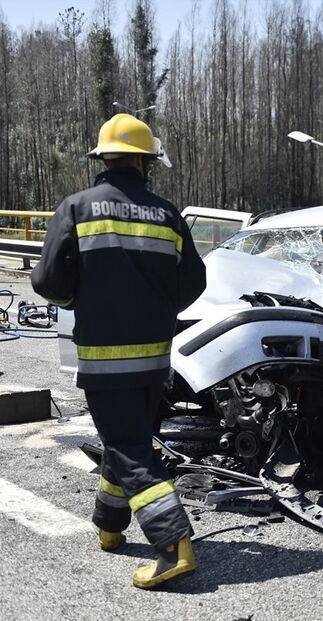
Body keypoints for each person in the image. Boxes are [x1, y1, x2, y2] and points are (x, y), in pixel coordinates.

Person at [31, 113, 206, 590]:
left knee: (128, 448)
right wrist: (157, 306)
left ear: (104, 158)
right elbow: (194, 282)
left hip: (105, 359)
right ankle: (110, 527)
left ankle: (173, 547)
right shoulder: (168, 214)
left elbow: (47, 281)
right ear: (142, 161)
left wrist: (81, 298)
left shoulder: (77, 207)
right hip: (154, 359)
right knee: (127, 441)